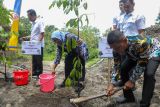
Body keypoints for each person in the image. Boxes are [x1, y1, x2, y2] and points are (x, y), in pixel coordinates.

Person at [106, 30, 149, 103]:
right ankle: (129, 98)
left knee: (149, 74)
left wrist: (132, 80)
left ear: (125, 40)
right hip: (134, 55)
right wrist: (112, 83)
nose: (116, 50)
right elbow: (117, 67)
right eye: (113, 48)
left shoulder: (141, 43)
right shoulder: (115, 50)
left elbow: (142, 63)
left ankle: (145, 102)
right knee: (123, 68)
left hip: (151, 53)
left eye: (118, 47)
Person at [111, 0, 146, 86]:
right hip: (125, 46)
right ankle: (126, 87)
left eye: (127, 6)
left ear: (133, 4)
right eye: (123, 6)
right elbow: (118, 31)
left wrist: (139, 46)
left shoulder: (138, 16)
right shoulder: (121, 17)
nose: (125, 8)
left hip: (137, 46)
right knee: (123, 67)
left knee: (130, 67)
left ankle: (131, 84)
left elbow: (141, 33)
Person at [27, 9, 45, 77]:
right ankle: (34, 73)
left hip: (38, 46)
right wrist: (26, 38)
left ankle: (39, 75)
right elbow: (34, 35)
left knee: (38, 61)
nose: (28, 18)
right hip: (33, 46)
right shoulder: (33, 24)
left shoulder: (39, 22)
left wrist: (37, 44)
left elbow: (42, 33)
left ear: (33, 15)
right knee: (34, 60)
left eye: (29, 16)